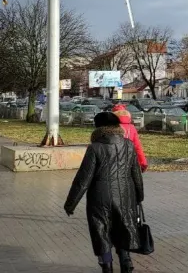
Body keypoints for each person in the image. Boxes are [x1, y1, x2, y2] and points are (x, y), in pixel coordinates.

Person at [65, 112, 144, 273]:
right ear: (116, 126)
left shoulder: (95, 148)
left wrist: (70, 204)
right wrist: (139, 196)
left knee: (101, 233)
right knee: (124, 229)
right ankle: (126, 262)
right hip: (125, 196)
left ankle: (107, 265)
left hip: (99, 198)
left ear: (98, 127)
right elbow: (136, 173)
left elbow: (83, 179)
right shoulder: (128, 145)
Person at [112, 104, 148, 172]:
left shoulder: (111, 127)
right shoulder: (132, 128)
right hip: (129, 159)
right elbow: (137, 146)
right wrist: (143, 162)